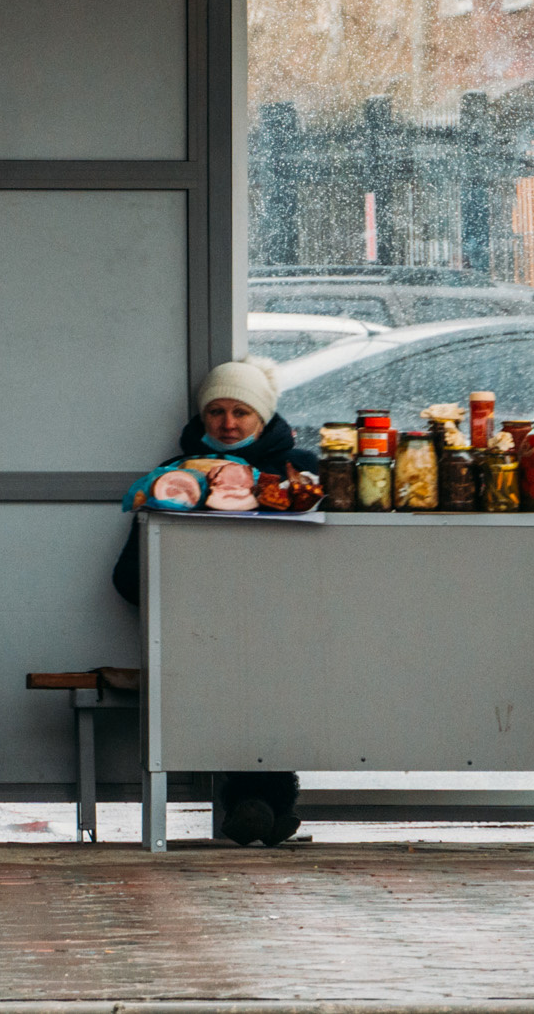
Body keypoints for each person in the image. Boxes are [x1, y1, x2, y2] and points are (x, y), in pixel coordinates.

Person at [110, 357, 306, 848]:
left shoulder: (301, 475)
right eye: (216, 411)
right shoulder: (174, 477)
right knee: (231, 682)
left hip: (293, 628)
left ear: (263, 417)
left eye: (241, 411)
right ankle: (267, 808)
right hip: (204, 633)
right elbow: (128, 577)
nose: (228, 423)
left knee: (272, 682)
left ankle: (259, 806)